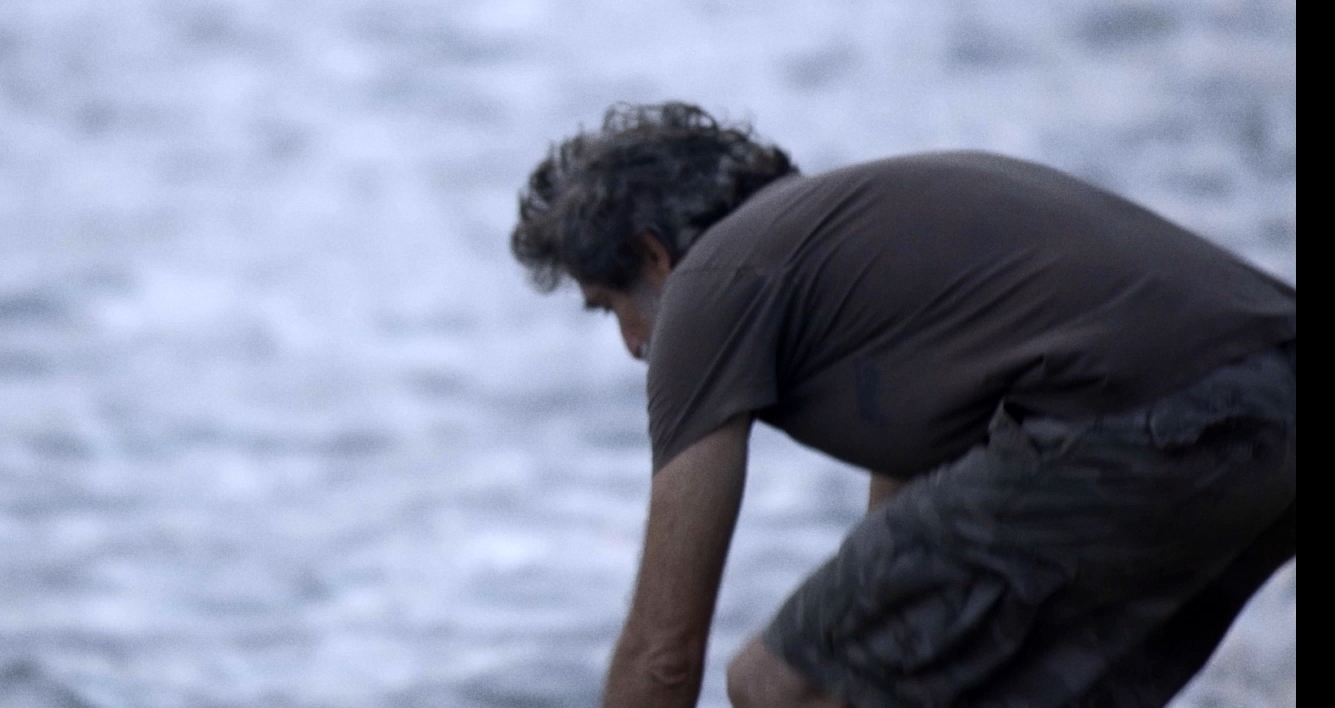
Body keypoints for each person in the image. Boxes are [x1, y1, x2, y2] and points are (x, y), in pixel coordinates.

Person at [510, 103, 1295, 708]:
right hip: (1268, 416)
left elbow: (664, 651)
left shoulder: (712, 282)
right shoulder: (855, 252)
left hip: (1159, 414)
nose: (632, 344)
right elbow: (900, 561)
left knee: (779, 686)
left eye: (610, 307)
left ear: (654, 256)